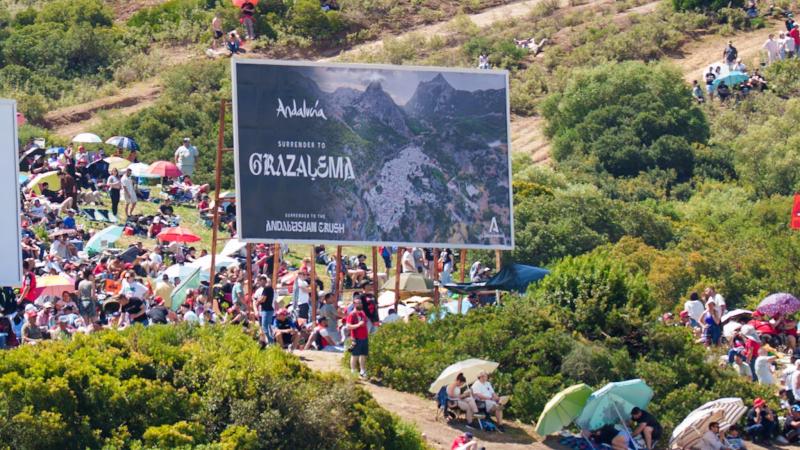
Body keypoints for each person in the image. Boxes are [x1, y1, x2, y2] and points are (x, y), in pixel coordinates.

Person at [346, 297, 369, 378]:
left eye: (360, 303)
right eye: (358, 303)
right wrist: (358, 325)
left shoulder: (362, 313)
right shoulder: (352, 314)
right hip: (356, 337)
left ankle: (362, 370)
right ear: (354, 304)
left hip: (364, 336)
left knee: (363, 354)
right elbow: (348, 326)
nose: (360, 304)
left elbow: (364, 322)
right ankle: (352, 370)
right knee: (355, 355)